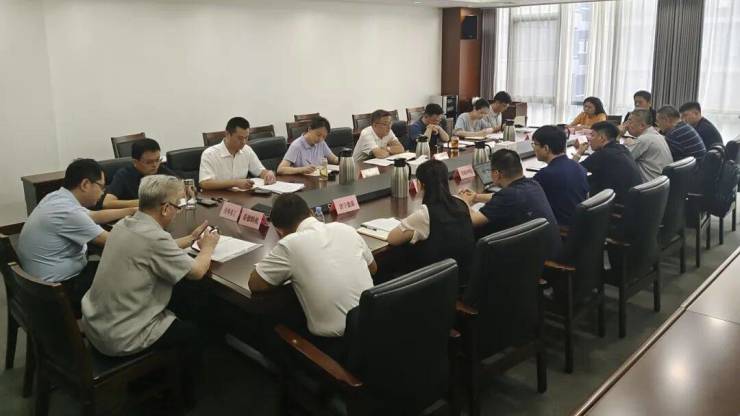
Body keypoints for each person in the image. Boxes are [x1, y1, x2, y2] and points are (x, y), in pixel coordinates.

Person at [81, 175, 219, 405]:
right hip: (121, 336)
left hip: (97, 323)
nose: (178, 210)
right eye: (178, 205)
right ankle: (181, 400)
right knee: (192, 332)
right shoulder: (155, 238)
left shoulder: (125, 224)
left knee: (183, 298)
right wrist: (208, 247)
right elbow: (196, 271)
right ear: (165, 208)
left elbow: (154, 248)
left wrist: (190, 239)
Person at [248, 194, 377, 360]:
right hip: (375, 333)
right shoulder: (345, 229)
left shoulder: (289, 244)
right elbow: (373, 268)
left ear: (279, 231)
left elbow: (255, 283)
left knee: (276, 328)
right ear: (310, 212)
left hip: (337, 350)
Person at [17, 159, 136, 308]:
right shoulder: (68, 212)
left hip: (40, 285)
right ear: (85, 184)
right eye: (101, 187)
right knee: (128, 274)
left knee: (116, 267)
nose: (103, 192)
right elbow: (114, 242)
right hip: (58, 291)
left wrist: (132, 210)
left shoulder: (56, 197)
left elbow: (94, 215)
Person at [457, 149, 562, 259]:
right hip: (546, 252)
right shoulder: (533, 184)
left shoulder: (508, 197)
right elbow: (499, 196)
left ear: (496, 174)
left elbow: (471, 221)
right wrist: (476, 197)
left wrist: (463, 201)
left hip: (537, 261)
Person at [387, 160, 475, 283]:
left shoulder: (425, 214)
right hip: (463, 277)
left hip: (435, 282)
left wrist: (412, 229)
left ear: (420, 185)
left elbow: (392, 239)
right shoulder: (461, 202)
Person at [531, 126, 589, 226]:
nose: (534, 148)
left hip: (560, 228)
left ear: (546, 148)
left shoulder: (545, 175)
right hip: (578, 225)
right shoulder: (579, 167)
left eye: (535, 144)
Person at [199, 116, 277, 190]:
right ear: (227, 134)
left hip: (241, 195)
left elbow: (260, 171)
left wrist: (268, 174)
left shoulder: (247, 150)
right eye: (240, 138)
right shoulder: (209, 154)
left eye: (246, 137)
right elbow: (204, 183)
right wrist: (235, 183)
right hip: (218, 197)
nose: (244, 142)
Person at [573, 121, 642, 203]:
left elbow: (571, 172)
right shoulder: (623, 149)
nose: (589, 139)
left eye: (592, 135)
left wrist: (579, 153)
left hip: (615, 205)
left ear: (602, 138)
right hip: (632, 202)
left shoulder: (602, 154)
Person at [102, 138, 178, 208]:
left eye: (157, 160)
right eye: (149, 162)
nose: (155, 165)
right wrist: (144, 202)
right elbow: (107, 203)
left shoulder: (160, 168)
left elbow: (180, 186)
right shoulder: (123, 175)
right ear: (135, 162)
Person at [623, 109, 673, 182]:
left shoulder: (644, 139)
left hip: (649, 185)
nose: (626, 125)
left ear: (642, 125)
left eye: (630, 122)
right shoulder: (657, 135)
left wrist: (618, 135)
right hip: (661, 183)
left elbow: (621, 160)